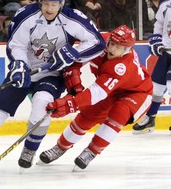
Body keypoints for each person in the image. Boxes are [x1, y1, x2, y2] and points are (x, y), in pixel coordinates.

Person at [0, 0, 105, 176]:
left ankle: (30, 149)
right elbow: (16, 45)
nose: (49, 8)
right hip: (25, 70)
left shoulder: (73, 18)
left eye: (54, 4)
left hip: (52, 74)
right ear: (40, 0)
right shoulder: (26, 15)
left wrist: (72, 53)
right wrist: (18, 65)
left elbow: (97, 42)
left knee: (42, 103)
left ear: (61, 3)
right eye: (46, 3)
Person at [39, 25, 153, 170]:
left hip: (137, 92)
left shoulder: (122, 66)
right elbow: (78, 56)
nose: (111, 49)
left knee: (119, 113)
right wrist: (73, 77)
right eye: (111, 43)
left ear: (127, 50)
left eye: (117, 47)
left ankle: (91, 151)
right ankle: (60, 147)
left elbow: (96, 93)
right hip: (112, 90)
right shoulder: (100, 40)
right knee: (87, 113)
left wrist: (71, 103)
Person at [133, 0, 171, 133]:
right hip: (167, 50)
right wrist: (156, 39)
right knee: (156, 87)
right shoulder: (166, 1)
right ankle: (150, 118)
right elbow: (159, 23)